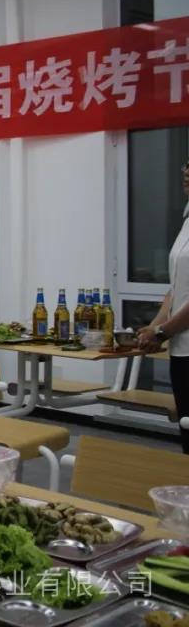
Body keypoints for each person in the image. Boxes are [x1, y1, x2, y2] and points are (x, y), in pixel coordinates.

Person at [138, 161, 189, 454]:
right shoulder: (187, 219)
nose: (186, 172)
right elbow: (177, 286)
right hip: (182, 350)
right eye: (186, 167)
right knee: (186, 432)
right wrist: (155, 324)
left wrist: (162, 332)